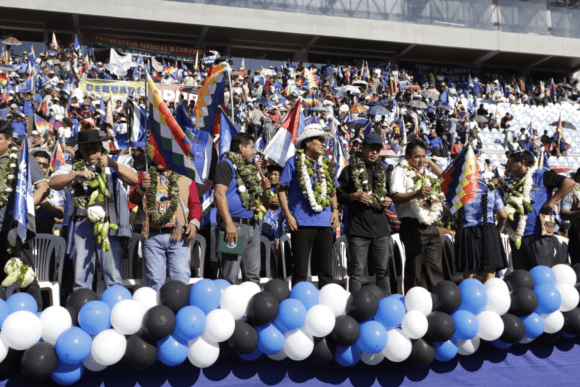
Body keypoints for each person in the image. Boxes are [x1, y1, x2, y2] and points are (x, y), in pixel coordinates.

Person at [49, 130, 138, 290]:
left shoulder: (117, 160)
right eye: (86, 149)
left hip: (108, 226)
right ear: (80, 150)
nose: (90, 153)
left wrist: (112, 164)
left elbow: (134, 179)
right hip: (82, 226)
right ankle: (84, 306)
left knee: (112, 275)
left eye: (94, 148)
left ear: (101, 147)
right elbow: (53, 182)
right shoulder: (72, 165)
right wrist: (76, 174)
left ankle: (115, 307)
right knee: (81, 277)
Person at [278, 124, 340, 288]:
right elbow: (282, 190)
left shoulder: (326, 164)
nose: (323, 143)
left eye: (323, 140)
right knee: (300, 270)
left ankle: (327, 304)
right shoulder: (293, 162)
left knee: (326, 270)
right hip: (301, 224)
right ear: (307, 142)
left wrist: (335, 210)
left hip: (325, 223)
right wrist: (288, 216)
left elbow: (332, 190)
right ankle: (299, 303)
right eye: (319, 140)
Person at [127, 162, 202, 291]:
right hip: (152, 236)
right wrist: (141, 187)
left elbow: (195, 203)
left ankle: (179, 308)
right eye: (156, 155)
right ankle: (158, 310)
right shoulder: (145, 175)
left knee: (181, 277)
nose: (159, 159)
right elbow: (133, 199)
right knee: (155, 280)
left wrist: (193, 223)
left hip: (177, 235)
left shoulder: (185, 176)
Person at [0, 123, 49, 310]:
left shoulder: (23, 159)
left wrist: (24, 210)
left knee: (24, 275)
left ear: (9, 140)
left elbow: (43, 187)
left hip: (17, 228)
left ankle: (35, 315)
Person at [337, 133, 393, 294]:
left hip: (381, 230)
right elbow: (339, 196)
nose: (375, 152)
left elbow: (391, 194)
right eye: (371, 148)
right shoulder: (348, 171)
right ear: (363, 149)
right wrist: (354, 196)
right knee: (357, 273)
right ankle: (356, 307)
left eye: (378, 149)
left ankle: (386, 305)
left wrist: (389, 199)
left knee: (383, 272)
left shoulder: (383, 171)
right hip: (359, 230)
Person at [214, 132, 270, 284]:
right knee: (229, 275)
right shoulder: (225, 165)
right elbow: (219, 195)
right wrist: (228, 223)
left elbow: (260, 201)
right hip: (234, 226)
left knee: (253, 276)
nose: (254, 152)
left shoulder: (250, 169)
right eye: (252, 148)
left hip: (253, 225)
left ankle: (252, 307)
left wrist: (263, 189)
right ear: (241, 148)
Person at [389, 139, 444, 292]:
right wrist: (416, 193)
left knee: (436, 269)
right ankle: (412, 303)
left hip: (430, 225)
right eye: (417, 157)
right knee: (414, 270)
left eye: (423, 156)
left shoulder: (426, 172)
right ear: (407, 157)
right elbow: (396, 196)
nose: (421, 161)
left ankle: (438, 302)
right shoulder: (399, 171)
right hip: (411, 226)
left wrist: (430, 163)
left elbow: (446, 178)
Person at [507, 150, 575, 270]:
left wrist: (553, 201)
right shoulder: (514, 181)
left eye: (512, 164)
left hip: (539, 235)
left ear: (522, 163)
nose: (510, 167)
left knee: (542, 272)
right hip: (517, 237)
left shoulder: (542, 175)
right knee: (522, 276)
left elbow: (569, 182)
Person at [455, 183, 508, 282]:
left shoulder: (459, 191)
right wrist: (498, 231)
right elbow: (503, 216)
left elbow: (447, 212)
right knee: (490, 272)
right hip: (489, 231)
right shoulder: (493, 192)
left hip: (467, 232)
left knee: (470, 273)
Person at [33, 150, 65, 234]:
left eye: (45, 165)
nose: (41, 167)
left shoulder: (53, 187)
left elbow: (60, 213)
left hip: (44, 238)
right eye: (37, 164)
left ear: (48, 168)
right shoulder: (21, 184)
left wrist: (45, 203)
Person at [560, 168, 580, 265]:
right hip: (577, 232)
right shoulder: (572, 192)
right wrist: (577, 213)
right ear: (578, 178)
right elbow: (563, 213)